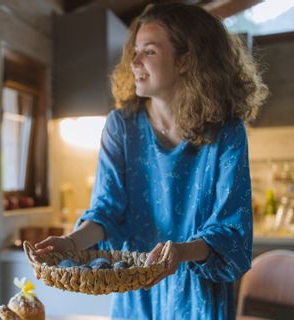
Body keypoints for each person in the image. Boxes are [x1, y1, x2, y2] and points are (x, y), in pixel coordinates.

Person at [34, 3, 268, 319]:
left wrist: (181, 252)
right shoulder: (121, 125)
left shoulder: (227, 131)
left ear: (185, 60)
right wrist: (69, 242)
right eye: (135, 50)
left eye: (150, 52)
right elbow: (106, 211)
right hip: (136, 292)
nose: (134, 61)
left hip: (197, 294)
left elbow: (232, 230)